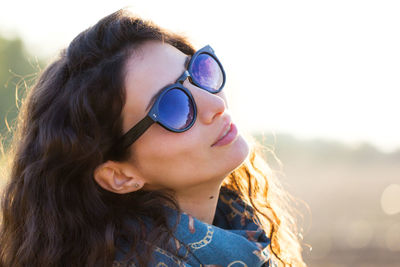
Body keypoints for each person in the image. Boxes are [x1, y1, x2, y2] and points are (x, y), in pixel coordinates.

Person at [0, 9, 307, 267]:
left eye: (198, 71)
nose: (215, 105)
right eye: (173, 106)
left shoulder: (243, 230)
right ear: (120, 175)